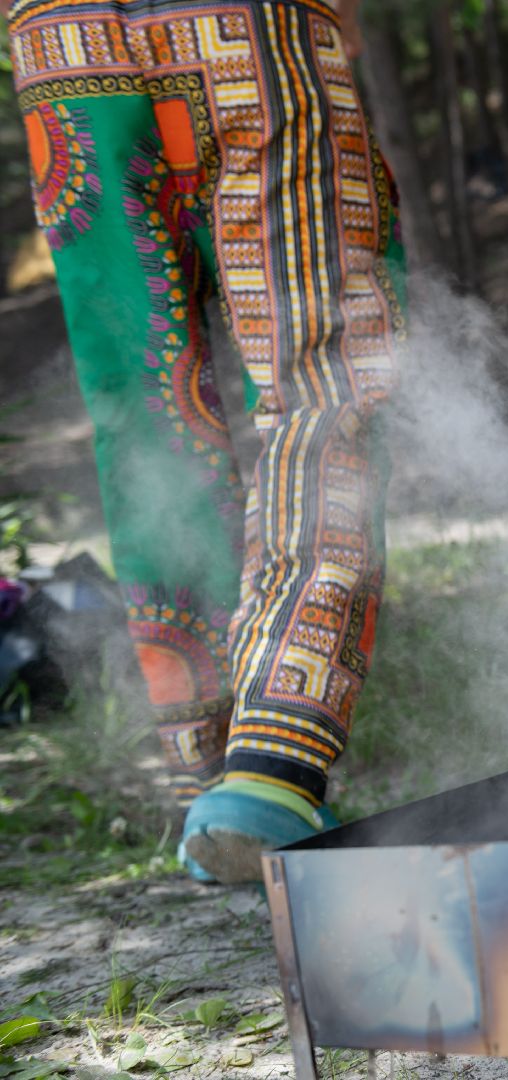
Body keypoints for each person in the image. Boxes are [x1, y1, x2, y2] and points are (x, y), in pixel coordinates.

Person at [7, 0, 400, 882]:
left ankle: (207, 757)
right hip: (257, 25)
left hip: (59, 39)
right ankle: (273, 758)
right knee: (323, 376)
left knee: (146, 408)